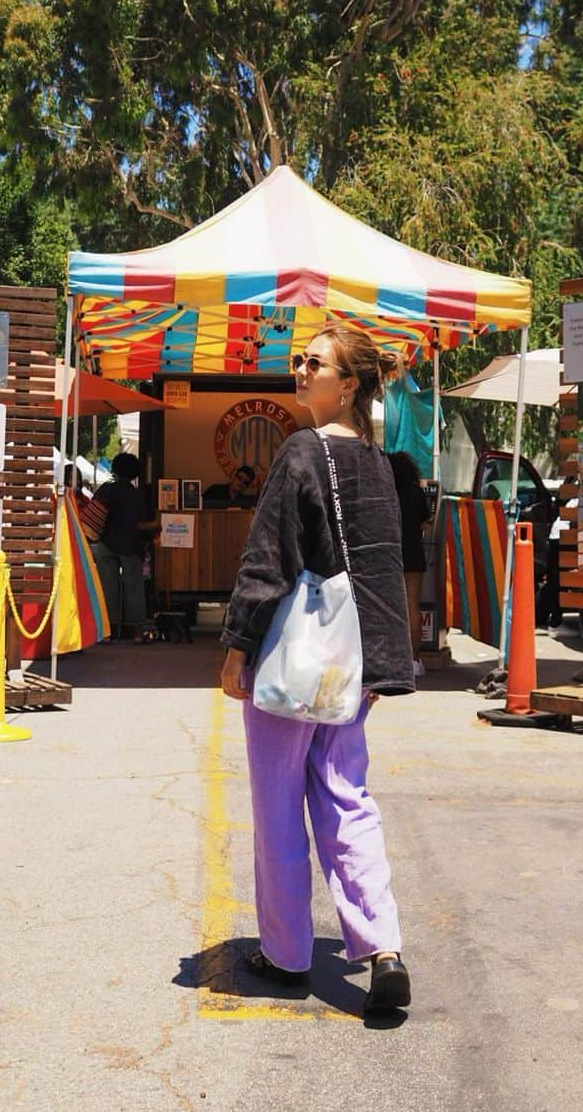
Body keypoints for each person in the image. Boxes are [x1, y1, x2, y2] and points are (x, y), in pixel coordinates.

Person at [220, 324, 417, 1014]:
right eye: (298, 360)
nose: (298, 371)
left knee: (278, 806)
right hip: (354, 662)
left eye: (313, 364)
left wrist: (238, 647)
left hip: (292, 664)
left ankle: (286, 953)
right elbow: (386, 567)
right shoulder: (380, 462)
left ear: (349, 384)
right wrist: (387, 668)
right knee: (347, 798)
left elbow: (268, 560)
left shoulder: (301, 452)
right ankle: (382, 944)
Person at [90, 452, 158, 642]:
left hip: (106, 544)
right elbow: (141, 523)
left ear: (115, 470)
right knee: (133, 587)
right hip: (130, 544)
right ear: (135, 473)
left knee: (107, 587)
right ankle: (137, 633)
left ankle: (107, 632)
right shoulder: (136, 494)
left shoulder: (106, 490)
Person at [385, 451, 429, 659]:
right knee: (412, 605)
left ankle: (394, 658)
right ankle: (414, 659)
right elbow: (425, 522)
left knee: (390, 607)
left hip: (390, 552)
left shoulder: (386, 491)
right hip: (414, 552)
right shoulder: (417, 492)